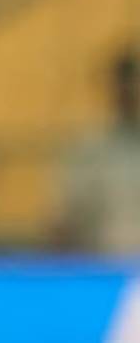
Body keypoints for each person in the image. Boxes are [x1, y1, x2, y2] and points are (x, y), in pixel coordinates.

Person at [57, 52, 140, 254]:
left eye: (133, 86)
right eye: (123, 86)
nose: (129, 93)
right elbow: (63, 222)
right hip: (100, 263)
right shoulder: (89, 152)